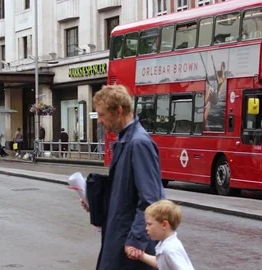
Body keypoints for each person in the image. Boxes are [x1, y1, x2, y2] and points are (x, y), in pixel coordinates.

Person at [80, 84, 165, 270]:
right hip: (120, 240)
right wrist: (96, 202)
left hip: (128, 248)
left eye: (102, 115)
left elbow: (151, 199)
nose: (99, 121)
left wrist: (135, 241)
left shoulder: (138, 144)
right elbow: (124, 194)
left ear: (118, 111)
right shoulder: (126, 141)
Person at [134, 200, 194, 270]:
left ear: (164, 225)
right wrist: (141, 256)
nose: (146, 228)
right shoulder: (166, 243)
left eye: (149, 224)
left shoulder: (170, 250)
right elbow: (161, 263)